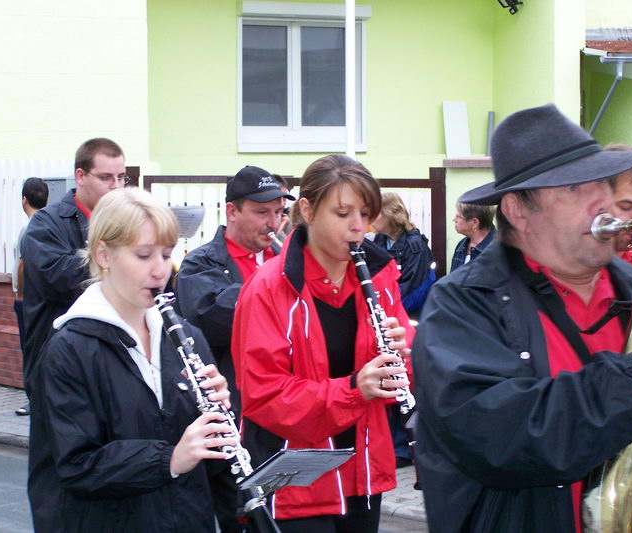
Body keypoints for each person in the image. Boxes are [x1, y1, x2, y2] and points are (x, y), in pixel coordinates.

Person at [412, 104, 632, 533]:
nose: (603, 201)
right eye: (576, 188)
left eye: (601, 182)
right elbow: (498, 439)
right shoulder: (463, 302)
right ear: (519, 210)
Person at [27, 187, 236, 533]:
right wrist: (169, 459)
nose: (161, 270)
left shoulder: (185, 336)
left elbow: (209, 462)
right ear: (104, 255)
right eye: (143, 255)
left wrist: (220, 417)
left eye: (167, 254)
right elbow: (77, 466)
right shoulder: (69, 348)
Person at [231, 154, 414, 533]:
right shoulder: (269, 287)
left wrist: (406, 352)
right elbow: (263, 396)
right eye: (343, 213)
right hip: (294, 479)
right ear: (308, 210)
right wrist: (353, 389)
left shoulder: (378, 277)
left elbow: (398, 372)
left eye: (365, 214)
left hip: (362, 470)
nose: (358, 227)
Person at [175, 165, 294, 532]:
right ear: (232, 212)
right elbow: (218, 319)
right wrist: (284, 288)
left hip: (285, 414)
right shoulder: (201, 263)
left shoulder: (284, 260)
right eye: (262, 212)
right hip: (238, 423)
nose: (273, 223)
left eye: (279, 212)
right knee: (242, 520)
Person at [21, 137, 127, 397]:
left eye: (122, 178)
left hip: (114, 363)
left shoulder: (127, 224)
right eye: (106, 178)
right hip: (58, 367)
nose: (116, 187)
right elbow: (60, 279)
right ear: (80, 176)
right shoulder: (46, 223)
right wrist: (120, 258)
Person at [12, 177, 49, 416]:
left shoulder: (30, 228)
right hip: (44, 299)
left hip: (30, 300)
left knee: (31, 350)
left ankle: (33, 400)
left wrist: (21, 296)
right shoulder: (50, 224)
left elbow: (23, 264)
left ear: (24, 199)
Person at [372, 192, 436, 314]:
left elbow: (413, 289)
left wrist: (387, 311)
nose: (371, 218)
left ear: (389, 214)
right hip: (384, 311)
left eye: (376, 213)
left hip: (407, 316)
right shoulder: (379, 239)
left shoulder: (415, 246)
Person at [449, 202, 495, 271]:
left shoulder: (498, 250)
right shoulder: (461, 245)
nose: (454, 219)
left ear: (475, 222)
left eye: (458, 216)